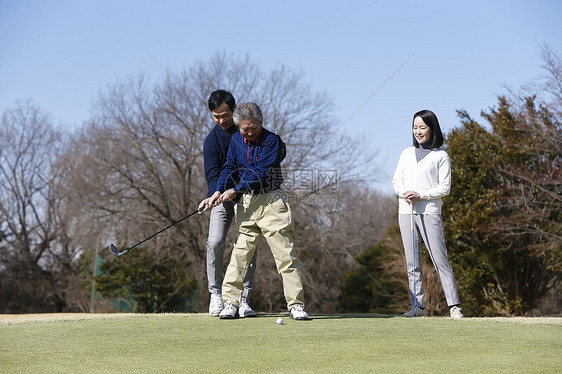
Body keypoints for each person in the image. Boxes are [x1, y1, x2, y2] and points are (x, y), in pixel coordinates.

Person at [199, 102, 309, 320]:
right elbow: (229, 166)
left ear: (261, 123)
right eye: (244, 129)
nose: (249, 133)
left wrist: (234, 190)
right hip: (248, 204)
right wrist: (217, 192)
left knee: (285, 255)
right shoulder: (236, 140)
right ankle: (231, 302)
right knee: (240, 254)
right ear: (238, 126)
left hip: (272, 202)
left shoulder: (272, 141)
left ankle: (296, 305)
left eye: (253, 128)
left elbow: (260, 172)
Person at [392, 109, 464, 319]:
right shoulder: (405, 153)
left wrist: (420, 194)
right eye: (415, 127)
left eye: (422, 127)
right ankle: (418, 307)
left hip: (429, 212)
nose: (418, 131)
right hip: (405, 211)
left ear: (432, 128)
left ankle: (454, 306)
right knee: (412, 262)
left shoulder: (441, 156)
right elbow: (397, 181)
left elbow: (445, 188)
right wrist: (403, 193)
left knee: (440, 259)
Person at [202, 90, 258, 317]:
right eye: (216, 117)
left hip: (248, 195)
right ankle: (216, 294)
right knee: (215, 241)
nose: (221, 120)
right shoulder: (211, 141)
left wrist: (238, 190)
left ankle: (243, 299)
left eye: (224, 115)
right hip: (222, 197)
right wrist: (214, 194)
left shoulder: (247, 131)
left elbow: (255, 167)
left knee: (247, 247)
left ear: (233, 109)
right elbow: (213, 174)